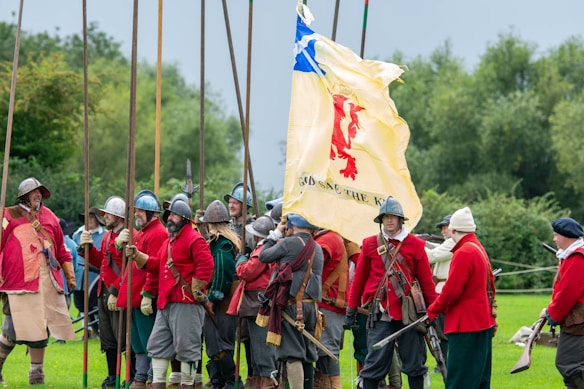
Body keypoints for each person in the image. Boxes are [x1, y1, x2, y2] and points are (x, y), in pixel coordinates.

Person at [344, 196, 437, 389]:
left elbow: (427, 283)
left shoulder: (416, 245)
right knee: (373, 366)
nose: (389, 220)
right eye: (385, 216)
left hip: (409, 315)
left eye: (393, 216)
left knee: (414, 365)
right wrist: (351, 310)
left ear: (400, 219)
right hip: (380, 314)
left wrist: (432, 311)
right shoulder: (369, 244)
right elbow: (359, 281)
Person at [126, 195, 214, 389]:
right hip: (165, 302)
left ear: (184, 218)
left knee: (187, 348)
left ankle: (188, 385)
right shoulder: (169, 241)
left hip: (186, 302)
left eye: (174, 214)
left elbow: (206, 266)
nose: (170, 218)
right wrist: (138, 256)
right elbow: (157, 264)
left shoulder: (194, 239)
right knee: (157, 345)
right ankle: (157, 384)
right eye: (170, 214)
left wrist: (196, 288)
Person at [0, 177, 76, 385]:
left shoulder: (50, 216)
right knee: (12, 329)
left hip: (48, 281)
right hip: (18, 282)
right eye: (34, 192)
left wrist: (69, 275)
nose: (38, 195)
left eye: (40, 192)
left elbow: (61, 249)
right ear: (24, 195)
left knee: (42, 327)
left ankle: (37, 374)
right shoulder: (9, 214)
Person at [426, 206, 497, 389]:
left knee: (459, 381)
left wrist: (431, 311)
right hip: (481, 322)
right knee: (479, 379)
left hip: (465, 325)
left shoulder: (464, 252)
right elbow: (491, 284)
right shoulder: (477, 248)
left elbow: (451, 291)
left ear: (455, 230)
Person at [257, 213, 324, 389]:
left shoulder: (288, 243)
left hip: (293, 306)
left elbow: (263, 256)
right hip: (311, 308)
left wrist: (275, 235)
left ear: (291, 226)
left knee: (293, 355)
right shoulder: (317, 248)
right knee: (308, 355)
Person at [114, 190, 168, 389]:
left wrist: (148, 293)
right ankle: (140, 377)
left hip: (144, 295)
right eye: (135, 211)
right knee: (137, 341)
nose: (136, 214)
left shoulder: (158, 233)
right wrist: (119, 246)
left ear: (151, 213)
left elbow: (155, 268)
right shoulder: (143, 232)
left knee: (150, 341)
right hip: (134, 294)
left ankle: (153, 379)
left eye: (140, 211)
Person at [79, 196, 134, 388]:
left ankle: (132, 376)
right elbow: (101, 261)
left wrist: (117, 290)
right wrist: (85, 248)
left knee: (125, 340)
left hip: (119, 294)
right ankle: (112, 376)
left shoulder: (130, 236)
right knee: (109, 340)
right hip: (103, 293)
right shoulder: (108, 236)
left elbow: (131, 269)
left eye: (108, 214)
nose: (105, 217)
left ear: (119, 216)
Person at [227, 215, 278, 389]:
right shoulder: (267, 248)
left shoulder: (263, 250)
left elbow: (247, 272)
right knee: (257, 347)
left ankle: (267, 380)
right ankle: (259, 379)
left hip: (259, 303)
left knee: (262, 346)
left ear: (257, 236)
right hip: (256, 302)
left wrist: (241, 261)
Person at [198, 200, 241, 389]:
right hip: (215, 302)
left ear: (211, 224)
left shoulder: (223, 245)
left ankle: (231, 381)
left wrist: (212, 299)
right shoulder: (215, 244)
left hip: (222, 303)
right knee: (213, 343)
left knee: (222, 343)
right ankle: (218, 380)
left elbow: (223, 276)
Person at [539, 217, 584, 389]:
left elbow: (567, 294)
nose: (554, 239)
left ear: (566, 236)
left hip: (578, 321)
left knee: (569, 365)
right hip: (576, 319)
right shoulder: (573, 256)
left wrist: (551, 314)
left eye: (556, 235)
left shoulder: (577, 257)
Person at [313, 228, 347, 389]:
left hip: (329, 303)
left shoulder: (328, 239)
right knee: (322, 350)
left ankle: (334, 386)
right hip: (327, 302)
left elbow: (310, 263)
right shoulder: (329, 237)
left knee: (327, 349)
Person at [424, 214, 455, 372]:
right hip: (439, 288)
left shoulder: (452, 242)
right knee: (439, 329)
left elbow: (432, 255)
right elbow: (434, 248)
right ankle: (442, 363)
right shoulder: (449, 242)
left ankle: (443, 364)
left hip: (443, 289)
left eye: (446, 227)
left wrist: (414, 244)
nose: (443, 230)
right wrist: (421, 242)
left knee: (442, 330)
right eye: (442, 227)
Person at [72, 207, 106, 336]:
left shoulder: (104, 235)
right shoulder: (77, 234)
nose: (89, 221)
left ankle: (94, 328)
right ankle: (86, 329)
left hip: (94, 276)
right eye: (88, 218)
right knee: (80, 303)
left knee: (92, 304)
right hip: (79, 274)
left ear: (97, 220)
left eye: (92, 218)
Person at [224, 182, 255, 253]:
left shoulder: (253, 229)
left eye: (235, 203)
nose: (231, 206)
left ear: (245, 206)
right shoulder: (227, 226)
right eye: (230, 202)